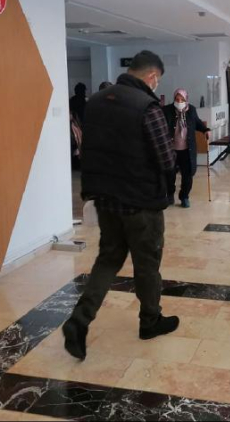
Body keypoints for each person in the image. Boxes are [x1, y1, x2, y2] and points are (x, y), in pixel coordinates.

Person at [62, 50, 179, 360]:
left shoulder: (96, 102)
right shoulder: (147, 107)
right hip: (141, 203)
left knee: (108, 259)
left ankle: (79, 320)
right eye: (158, 80)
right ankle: (150, 321)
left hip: (106, 199)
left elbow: (88, 149)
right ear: (152, 76)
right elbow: (166, 159)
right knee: (147, 264)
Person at [163, 89, 211, 209]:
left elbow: (198, 123)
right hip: (171, 150)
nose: (179, 102)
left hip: (187, 150)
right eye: (177, 99)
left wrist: (206, 130)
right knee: (169, 174)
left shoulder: (191, 110)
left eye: (182, 99)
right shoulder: (167, 110)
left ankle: (184, 197)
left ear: (186, 100)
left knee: (187, 175)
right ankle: (170, 194)